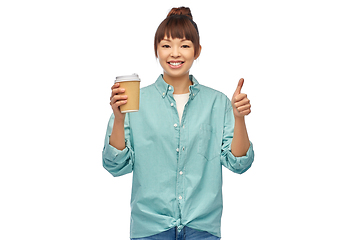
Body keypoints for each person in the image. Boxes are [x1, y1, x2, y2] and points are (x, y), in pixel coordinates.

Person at [103, 6, 254, 240]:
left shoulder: (218, 103)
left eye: (184, 45)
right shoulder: (134, 102)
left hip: (202, 228)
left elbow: (239, 164)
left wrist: (239, 118)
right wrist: (119, 118)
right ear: (156, 50)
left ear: (197, 50)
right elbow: (115, 166)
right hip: (150, 228)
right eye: (166, 45)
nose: (175, 53)